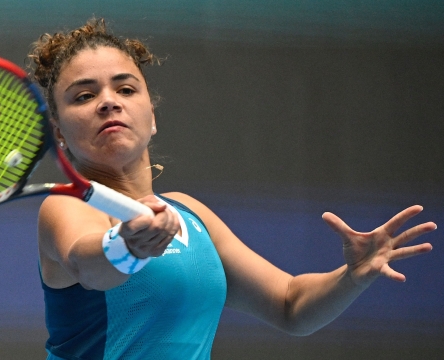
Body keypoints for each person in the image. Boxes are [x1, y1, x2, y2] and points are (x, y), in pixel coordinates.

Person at [27, 18, 436, 360]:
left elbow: (290, 304)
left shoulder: (190, 214)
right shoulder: (67, 206)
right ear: (59, 133)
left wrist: (352, 277)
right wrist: (127, 246)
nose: (108, 102)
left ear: (152, 116)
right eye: (84, 95)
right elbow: (87, 265)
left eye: (126, 88)